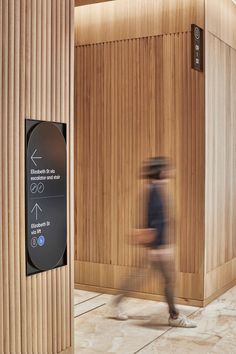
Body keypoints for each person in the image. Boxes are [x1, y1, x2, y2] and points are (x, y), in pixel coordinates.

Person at [112, 157, 197, 328]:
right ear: (160, 172)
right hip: (159, 248)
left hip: (158, 247)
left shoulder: (155, 188)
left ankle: (117, 302)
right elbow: (154, 222)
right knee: (169, 280)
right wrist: (160, 247)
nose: (170, 172)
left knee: (142, 276)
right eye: (166, 169)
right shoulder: (153, 191)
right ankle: (174, 316)